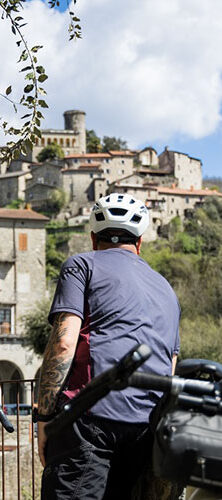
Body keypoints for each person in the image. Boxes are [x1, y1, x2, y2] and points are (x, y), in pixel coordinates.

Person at [36, 193, 180, 500]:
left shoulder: (81, 265)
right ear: (139, 243)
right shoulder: (165, 287)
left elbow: (63, 343)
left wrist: (45, 417)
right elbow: (170, 365)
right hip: (145, 428)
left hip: (88, 415)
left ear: (92, 238)